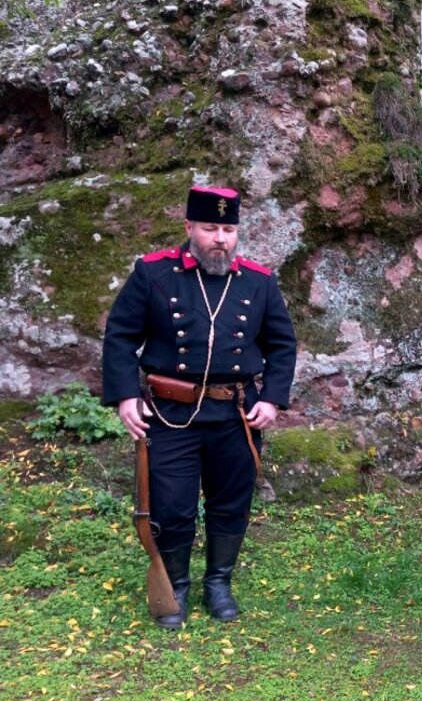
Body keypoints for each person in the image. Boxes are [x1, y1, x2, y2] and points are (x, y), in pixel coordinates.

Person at [102, 185, 297, 628]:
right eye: (210, 228)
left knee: (231, 502)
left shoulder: (259, 281)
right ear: (189, 226)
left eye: (229, 229)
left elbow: (282, 345)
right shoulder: (154, 273)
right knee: (172, 506)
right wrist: (125, 395)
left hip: (236, 414)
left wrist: (273, 399)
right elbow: (120, 336)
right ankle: (176, 586)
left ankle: (218, 582)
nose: (221, 238)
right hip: (170, 415)